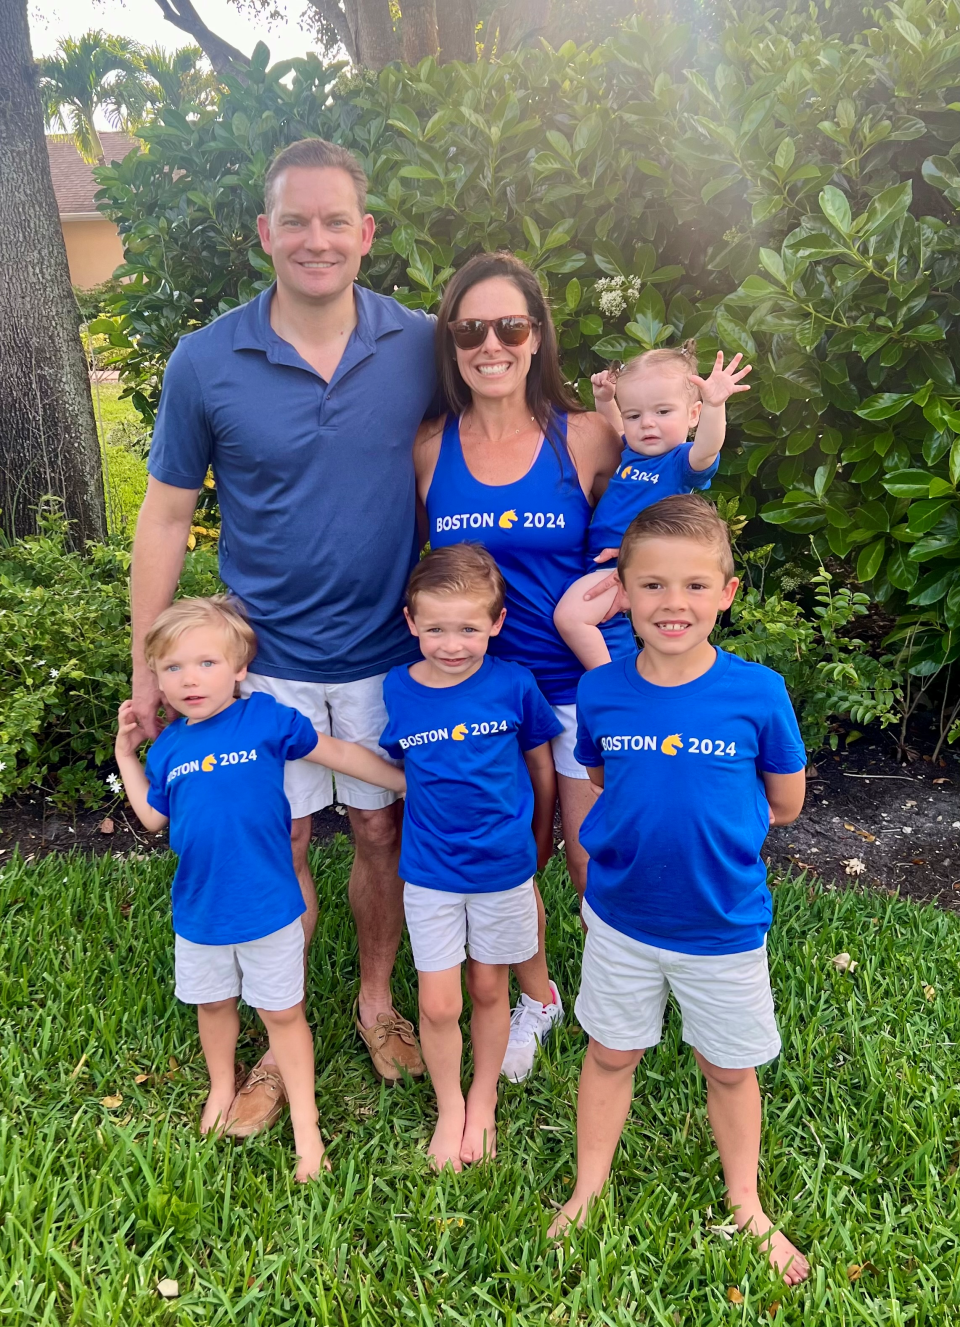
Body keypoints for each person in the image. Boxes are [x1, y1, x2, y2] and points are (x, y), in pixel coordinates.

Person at [129, 138, 437, 1122]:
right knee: (283, 840)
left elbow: (510, 429)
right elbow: (167, 514)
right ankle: (275, 1043)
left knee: (381, 831)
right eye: (294, 221)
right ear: (263, 234)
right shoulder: (206, 360)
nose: (316, 238)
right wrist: (149, 665)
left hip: (391, 656)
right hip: (266, 664)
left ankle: (379, 1003)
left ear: (366, 232)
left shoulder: (421, 345)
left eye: (334, 220)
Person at [551, 495, 810, 1286]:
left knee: (729, 1067)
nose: (674, 604)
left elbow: (786, 800)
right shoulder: (601, 692)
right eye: (653, 585)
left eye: (696, 586)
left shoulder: (757, 692)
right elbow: (600, 777)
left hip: (722, 924)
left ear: (727, 593)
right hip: (622, 916)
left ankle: (746, 1203)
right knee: (610, 1052)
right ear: (622, 591)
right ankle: (587, 1190)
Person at [415, 252, 636, 1081]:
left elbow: (661, 501)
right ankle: (539, 996)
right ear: (452, 341)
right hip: (481, 691)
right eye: (471, 329)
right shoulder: (431, 446)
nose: (491, 344)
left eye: (510, 326)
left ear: (536, 336)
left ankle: (624, 996)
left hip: (578, 682)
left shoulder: (584, 433)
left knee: (586, 850)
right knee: (510, 846)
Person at [114, 597, 407, 1182]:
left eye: (205, 663)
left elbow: (341, 753)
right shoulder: (169, 747)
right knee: (214, 1004)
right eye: (172, 668)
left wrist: (404, 781)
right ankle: (222, 1085)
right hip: (199, 913)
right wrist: (127, 754)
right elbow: (152, 818)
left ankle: (306, 1126)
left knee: (283, 1013)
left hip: (271, 908)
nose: (189, 679)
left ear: (240, 667)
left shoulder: (268, 719)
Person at [379, 545, 562, 1170]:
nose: (451, 643)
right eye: (434, 628)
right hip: (429, 872)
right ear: (411, 623)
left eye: (468, 628)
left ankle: (481, 1099)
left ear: (496, 624)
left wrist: (541, 838)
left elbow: (541, 766)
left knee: (488, 987)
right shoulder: (399, 688)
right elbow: (408, 768)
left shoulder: (514, 684)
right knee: (439, 1003)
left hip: (503, 868)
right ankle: (449, 1104)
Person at [553, 343, 751, 670]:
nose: (646, 424)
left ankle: (608, 682)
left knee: (571, 617)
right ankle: (627, 672)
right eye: (635, 414)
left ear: (692, 415)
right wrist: (605, 400)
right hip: (602, 560)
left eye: (662, 412)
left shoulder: (679, 462)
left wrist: (716, 405)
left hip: (628, 564)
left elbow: (706, 449)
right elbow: (617, 429)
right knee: (605, 625)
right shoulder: (633, 453)